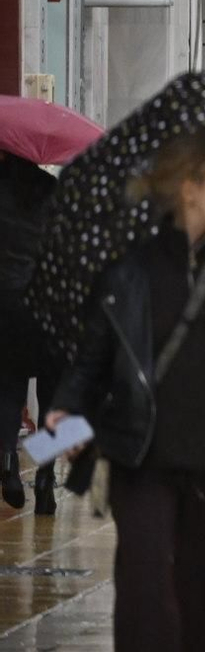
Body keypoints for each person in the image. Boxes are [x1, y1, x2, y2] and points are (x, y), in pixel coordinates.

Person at [46, 132, 205, 652]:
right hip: (143, 461)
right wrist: (66, 410)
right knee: (146, 598)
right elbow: (94, 356)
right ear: (189, 189)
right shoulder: (130, 269)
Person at [0, 152, 63, 515]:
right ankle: (45, 476)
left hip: (6, 306)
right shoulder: (53, 192)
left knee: (7, 386)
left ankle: (8, 462)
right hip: (49, 307)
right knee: (56, 395)